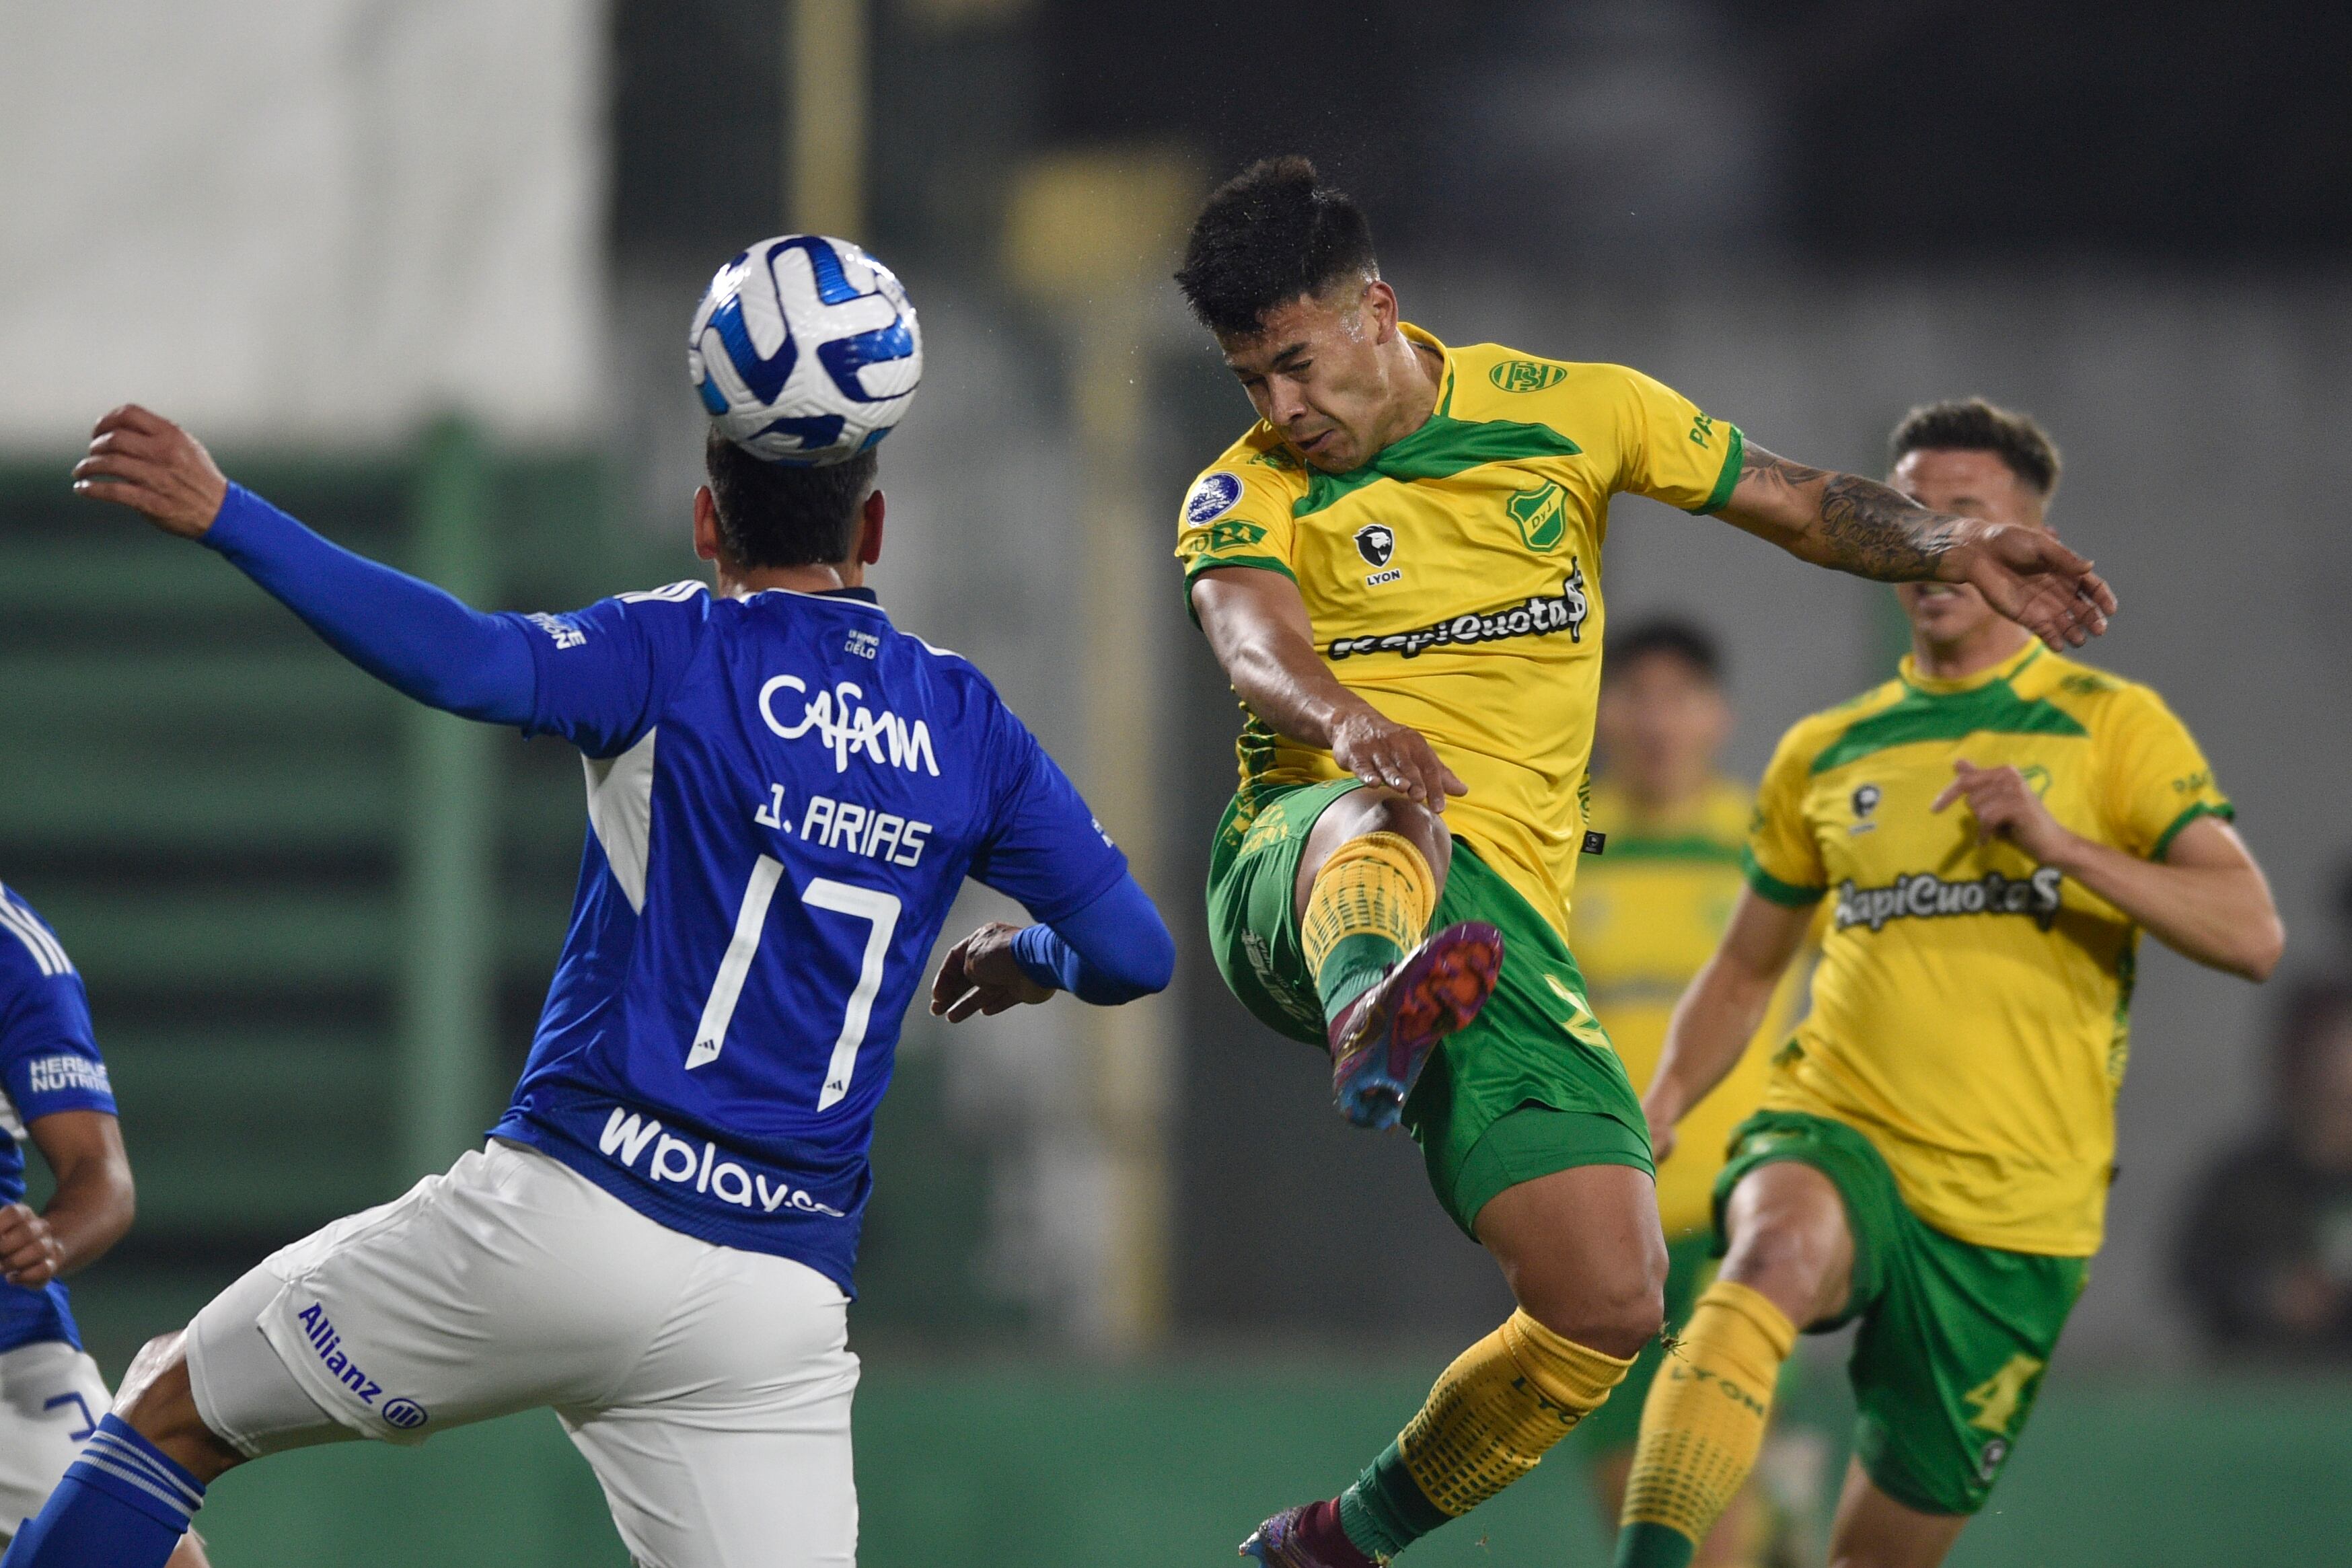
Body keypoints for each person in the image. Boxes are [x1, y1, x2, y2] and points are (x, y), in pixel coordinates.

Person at [11, 313, 1175, 1565]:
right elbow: (1134, 951)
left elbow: (465, 662)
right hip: (770, 1312)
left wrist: (227, 510)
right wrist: (1026, 959)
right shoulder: (967, 723)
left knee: (171, 1412)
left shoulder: (673, 650)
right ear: (873, 532)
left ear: (705, 521)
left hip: (570, 1222)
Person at [1169, 156, 2114, 1568]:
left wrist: (1945, 537)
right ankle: (1372, 1006)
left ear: (1375, 311)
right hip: (1296, 875)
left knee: (1608, 1302)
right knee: (1393, 815)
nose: (1278, 409)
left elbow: (1792, 499)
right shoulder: (1236, 493)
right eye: (1249, 380)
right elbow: (1252, 645)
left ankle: (1330, 1540)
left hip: (1496, 944)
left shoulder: (1571, 410)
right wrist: (1355, 723)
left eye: (1293, 365)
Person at [1617, 399, 2283, 1568]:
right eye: (1912, 515)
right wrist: (1665, 1102)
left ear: (2032, 541)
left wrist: (2065, 847)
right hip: (1843, 1129)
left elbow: (2249, 933)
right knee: (1765, 1257)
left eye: (1963, 517)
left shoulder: (2112, 731)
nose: (1933, 542)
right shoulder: (1828, 750)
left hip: (2016, 1216)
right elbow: (1746, 964)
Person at [1571, 621, 1812, 1568]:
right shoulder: (1566, 838)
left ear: (1719, 716)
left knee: (1696, 1512)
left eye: (1680, 697)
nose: (1657, 719)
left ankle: (1771, 1502)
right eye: (1635, 694)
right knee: (1623, 1495)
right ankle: (1785, 1510)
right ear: (1602, 710)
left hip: (1735, 1222)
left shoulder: (1769, 842)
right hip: (1602, 1228)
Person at [0, 886, 207, 1567]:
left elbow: (103, 1177)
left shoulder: (15, 951)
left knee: (162, 1555)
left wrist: (50, 1238)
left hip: (11, 1359)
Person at [2175, 981, 2352, 1355]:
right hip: (2263, 1390)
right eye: (2329, 1063)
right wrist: (2267, 1294)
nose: (2340, 1082)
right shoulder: (2246, 1181)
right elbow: (2196, 1274)